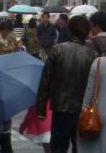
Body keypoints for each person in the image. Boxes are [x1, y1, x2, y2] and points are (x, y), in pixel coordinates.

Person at [36, 14, 97, 153]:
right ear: (87, 32)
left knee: (58, 146)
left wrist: (41, 108)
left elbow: (46, 80)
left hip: (61, 106)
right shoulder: (92, 54)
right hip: (84, 108)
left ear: (69, 31)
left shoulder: (57, 50)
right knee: (80, 146)